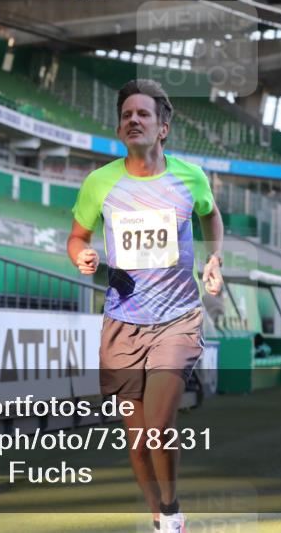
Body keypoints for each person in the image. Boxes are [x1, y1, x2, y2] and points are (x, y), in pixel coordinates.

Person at [68, 79, 224, 533]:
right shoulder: (99, 182)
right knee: (137, 441)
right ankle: (159, 516)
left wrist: (214, 257)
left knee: (158, 425)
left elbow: (211, 214)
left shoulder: (189, 177)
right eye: (126, 115)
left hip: (177, 318)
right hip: (122, 322)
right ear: (120, 129)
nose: (133, 120)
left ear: (163, 128)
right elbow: (77, 237)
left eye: (143, 114)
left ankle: (172, 511)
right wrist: (81, 255)